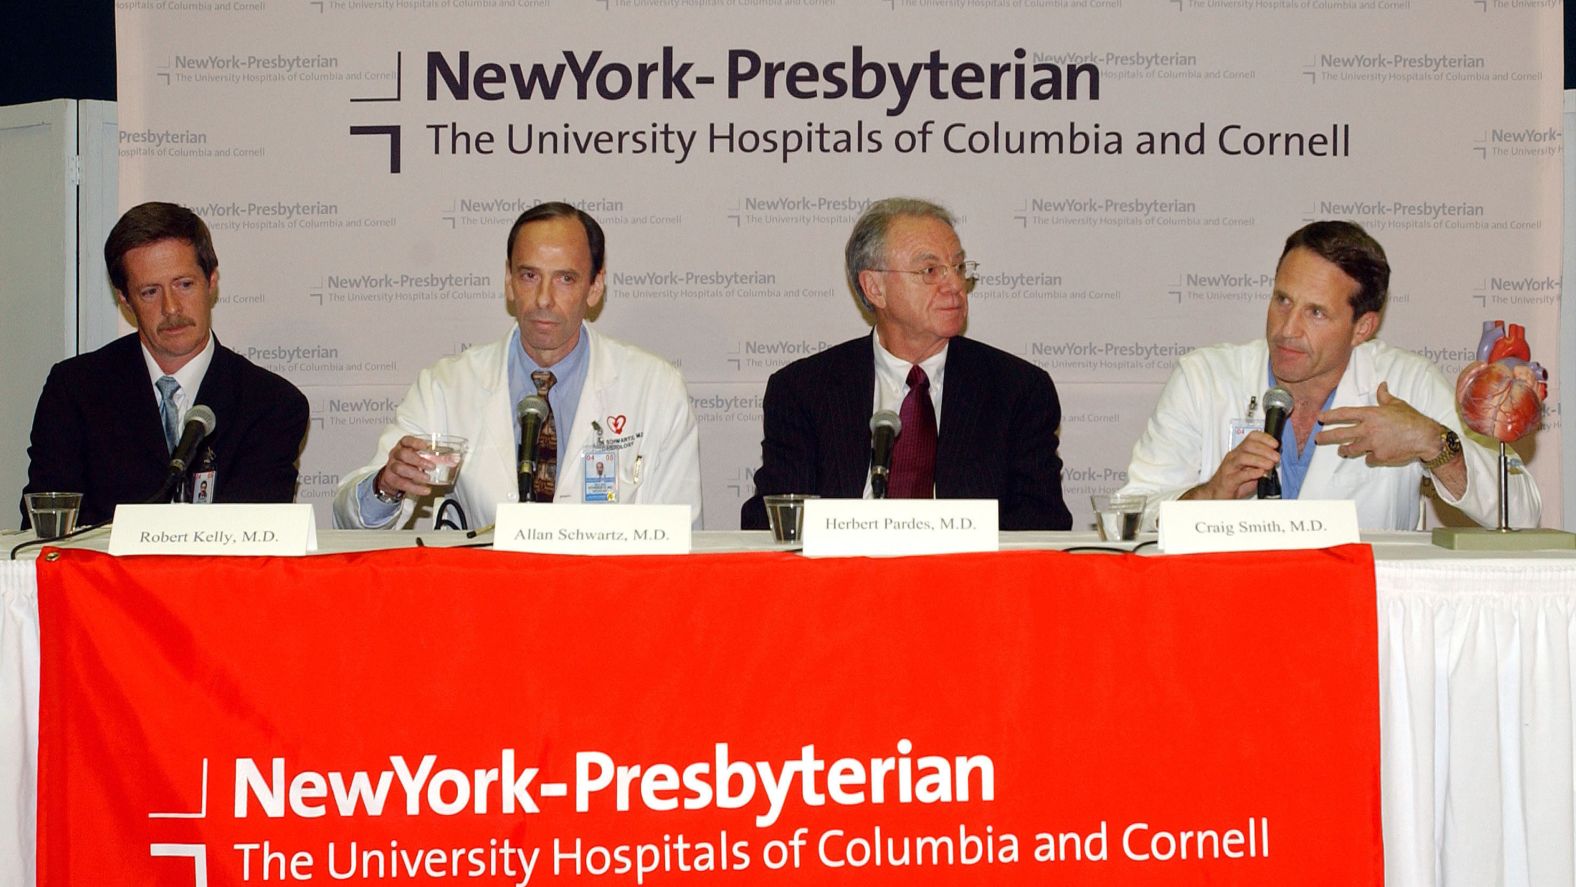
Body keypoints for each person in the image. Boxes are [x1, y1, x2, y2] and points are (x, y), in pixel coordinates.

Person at [1118, 220, 1540, 530]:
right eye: (1282, 300)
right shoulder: (1204, 378)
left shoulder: (1405, 383)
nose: (1287, 329)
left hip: (1363, 620)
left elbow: (1521, 513)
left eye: (1315, 312)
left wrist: (1433, 444)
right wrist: (1211, 495)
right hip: (1227, 614)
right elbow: (1127, 520)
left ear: (1363, 328)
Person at [334, 202, 702, 529]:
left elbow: (683, 536)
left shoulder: (656, 388)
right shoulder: (447, 385)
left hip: (613, 599)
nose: (544, 299)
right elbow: (355, 522)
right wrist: (387, 485)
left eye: (565, 278)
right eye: (529, 276)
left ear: (595, 287)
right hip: (488, 598)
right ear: (509, 281)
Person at [741, 197, 1072, 530]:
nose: (955, 286)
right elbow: (773, 518)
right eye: (930, 271)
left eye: (958, 268)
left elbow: (1043, 522)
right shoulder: (804, 390)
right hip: (843, 576)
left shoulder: (1018, 390)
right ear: (875, 288)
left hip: (969, 577)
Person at [21, 201, 309, 528]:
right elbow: (46, 529)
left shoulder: (271, 404)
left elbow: (257, 539)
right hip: (104, 580)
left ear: (211, 280)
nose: (171, 308)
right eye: (149, 292)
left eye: (184, 285)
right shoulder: (76, 390)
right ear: (125, 299)